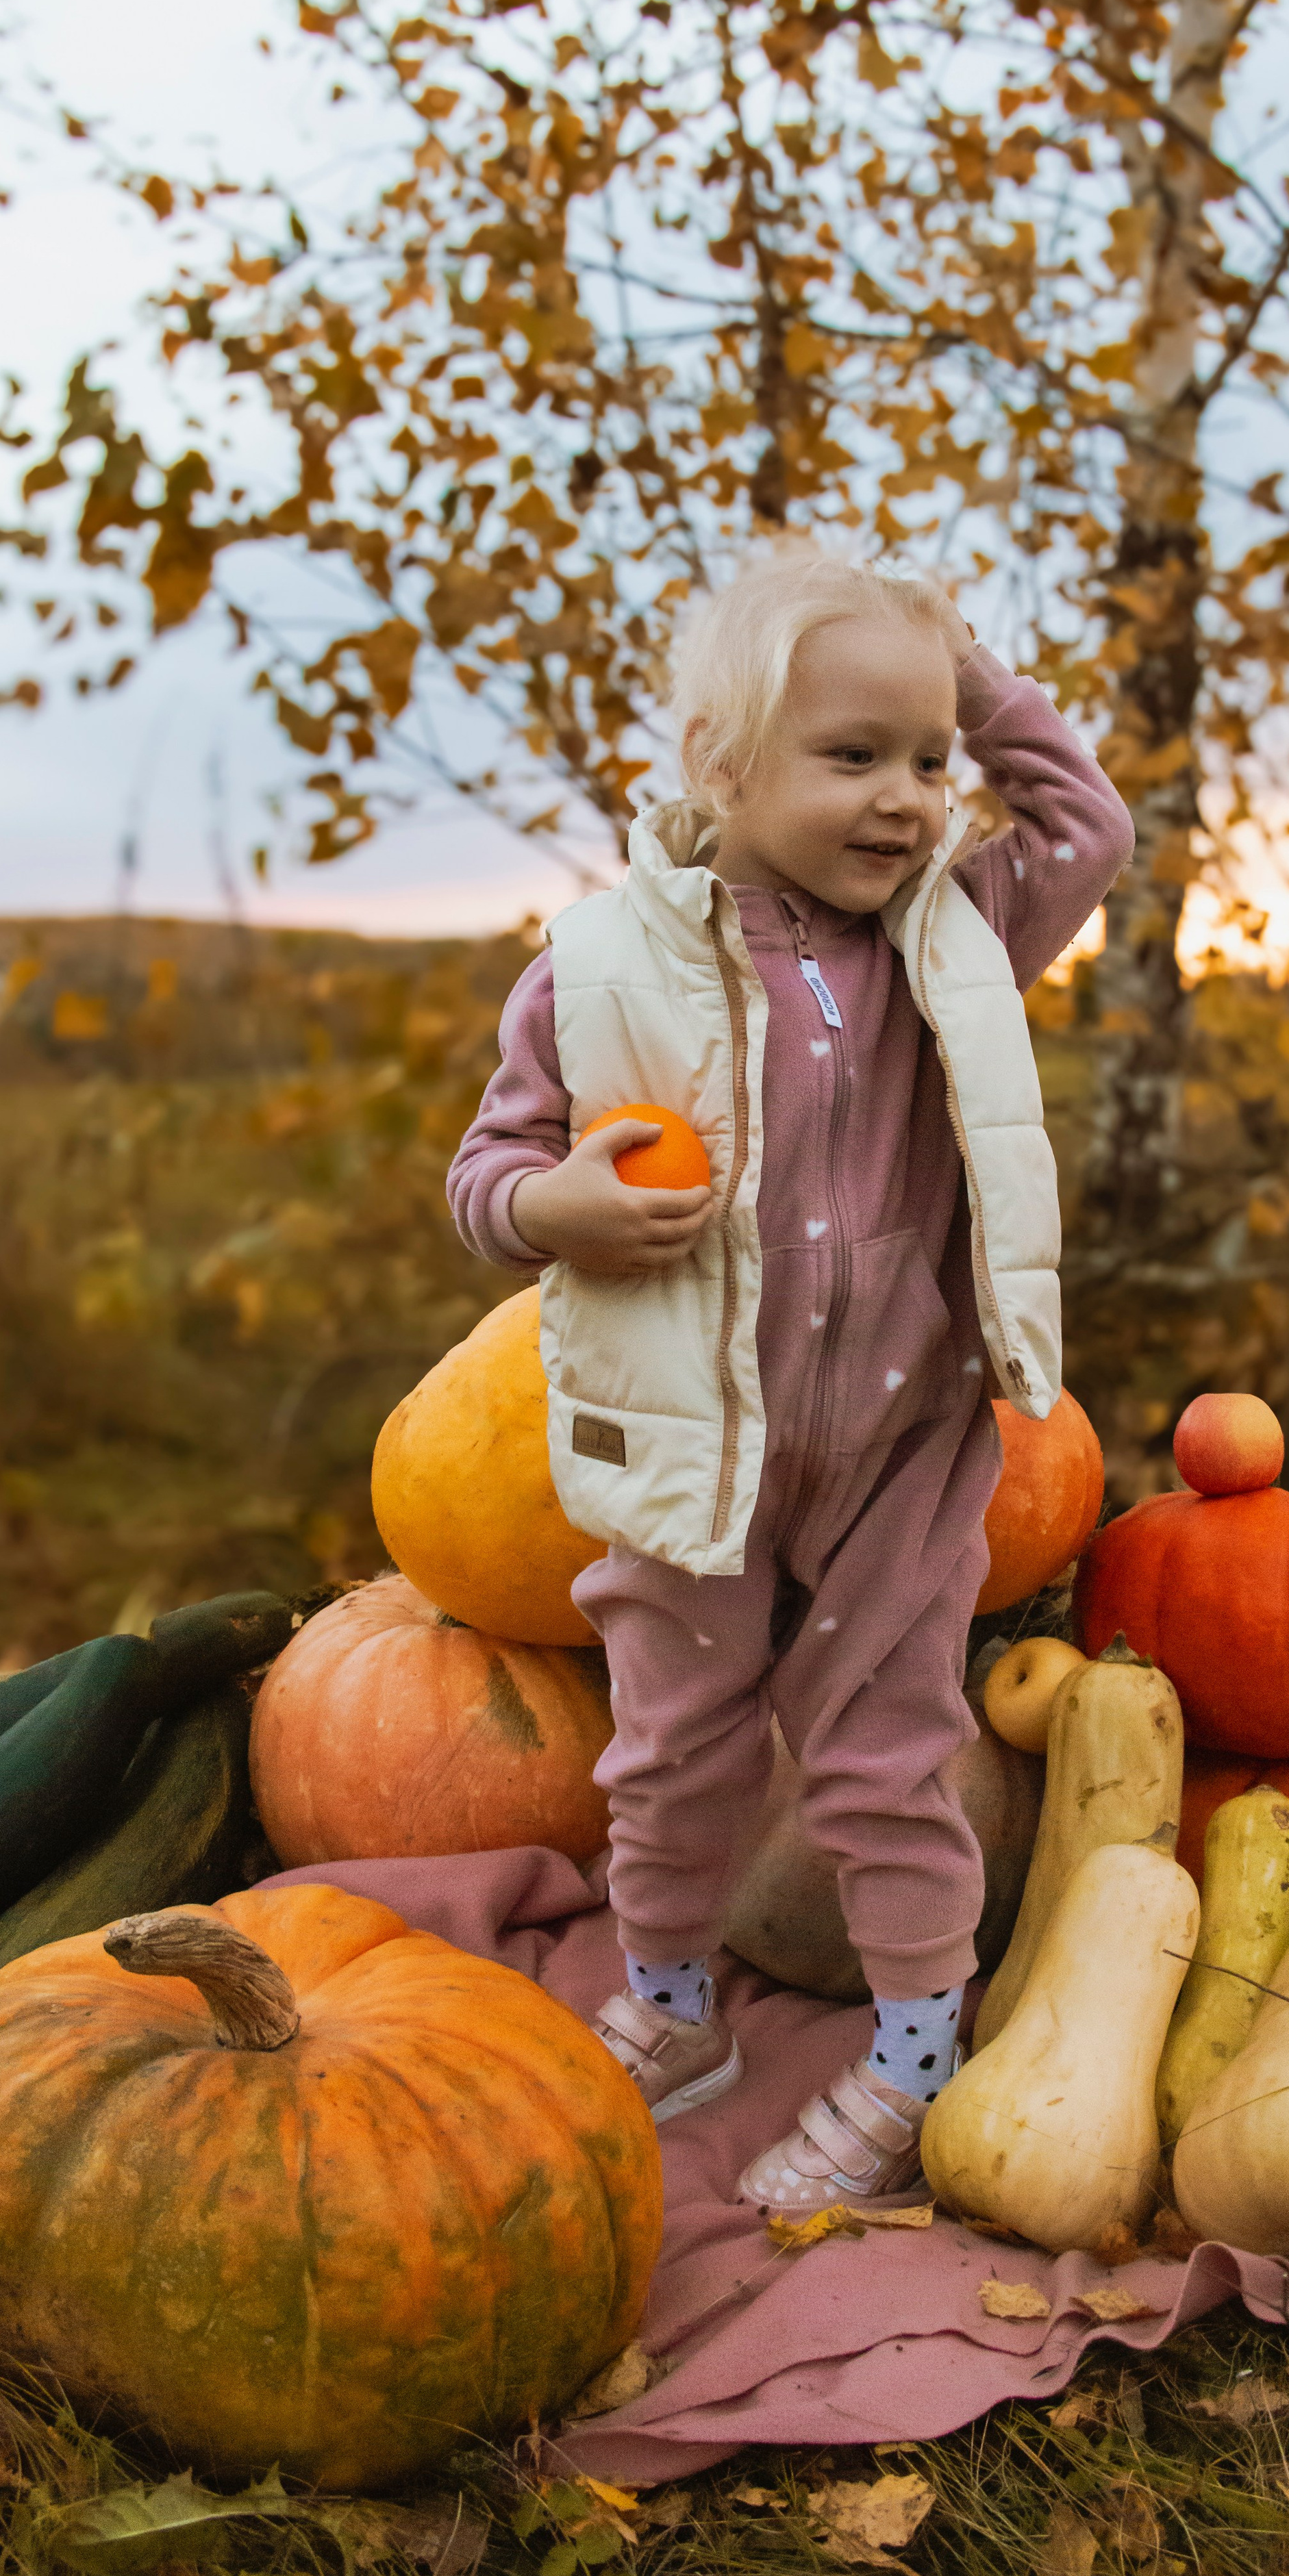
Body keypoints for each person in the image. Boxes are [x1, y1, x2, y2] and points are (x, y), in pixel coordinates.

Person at [448, 551, 1133, 2214]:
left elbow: (1087, 831)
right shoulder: (601, 965)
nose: (906, 799)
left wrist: (966, 676)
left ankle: (917, 2048)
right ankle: (673, 2009)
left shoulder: (954, 931)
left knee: (884, 1755)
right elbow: (486, 1179)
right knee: (670, 1752)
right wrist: (565, 1208)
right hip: (696, 1448)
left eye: (928, 759)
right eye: (853, 756)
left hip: (903, 1445)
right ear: (720, 762)